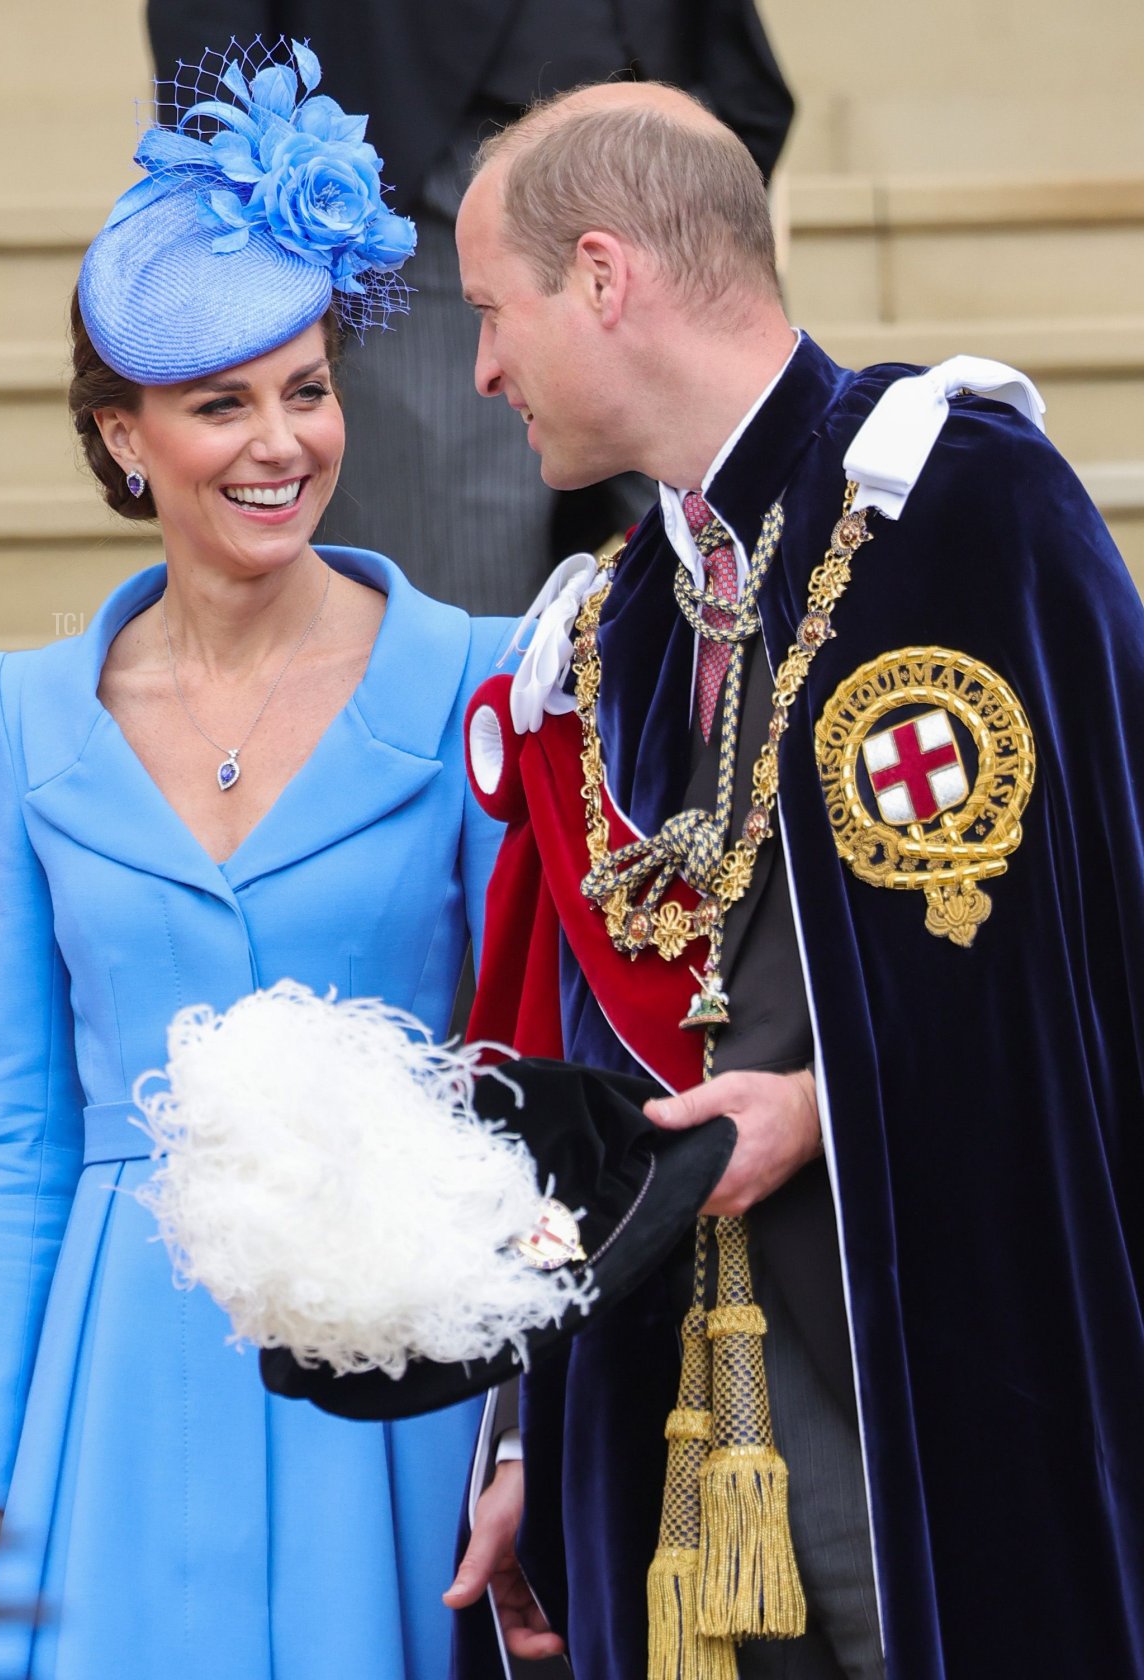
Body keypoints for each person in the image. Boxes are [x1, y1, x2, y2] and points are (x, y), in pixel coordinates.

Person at [445, 83, 1144, 1680]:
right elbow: (566, 1030)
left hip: (947, 1369)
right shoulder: (614, 622)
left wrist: (825, 1104)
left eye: (495, 310)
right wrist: (523, 1436)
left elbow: (1098, 953)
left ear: (604, 278)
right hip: (678, 1428)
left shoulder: (966, 508)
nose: (479, 366)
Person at [0, 41, 513, 1680]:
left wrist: (527, 1436)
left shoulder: (470, 675)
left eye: (308, 386)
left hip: (398, 1384)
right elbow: (18, 1127)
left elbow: (523, 1083)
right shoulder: (31, 715)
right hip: (117, 1394)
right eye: (219, 405)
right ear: (124, 441)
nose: (282, 443)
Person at [146, 1, 795, 613]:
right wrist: (245, 195)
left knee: (773, 565)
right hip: (412, 174)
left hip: (670, 140)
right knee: (460, 615)